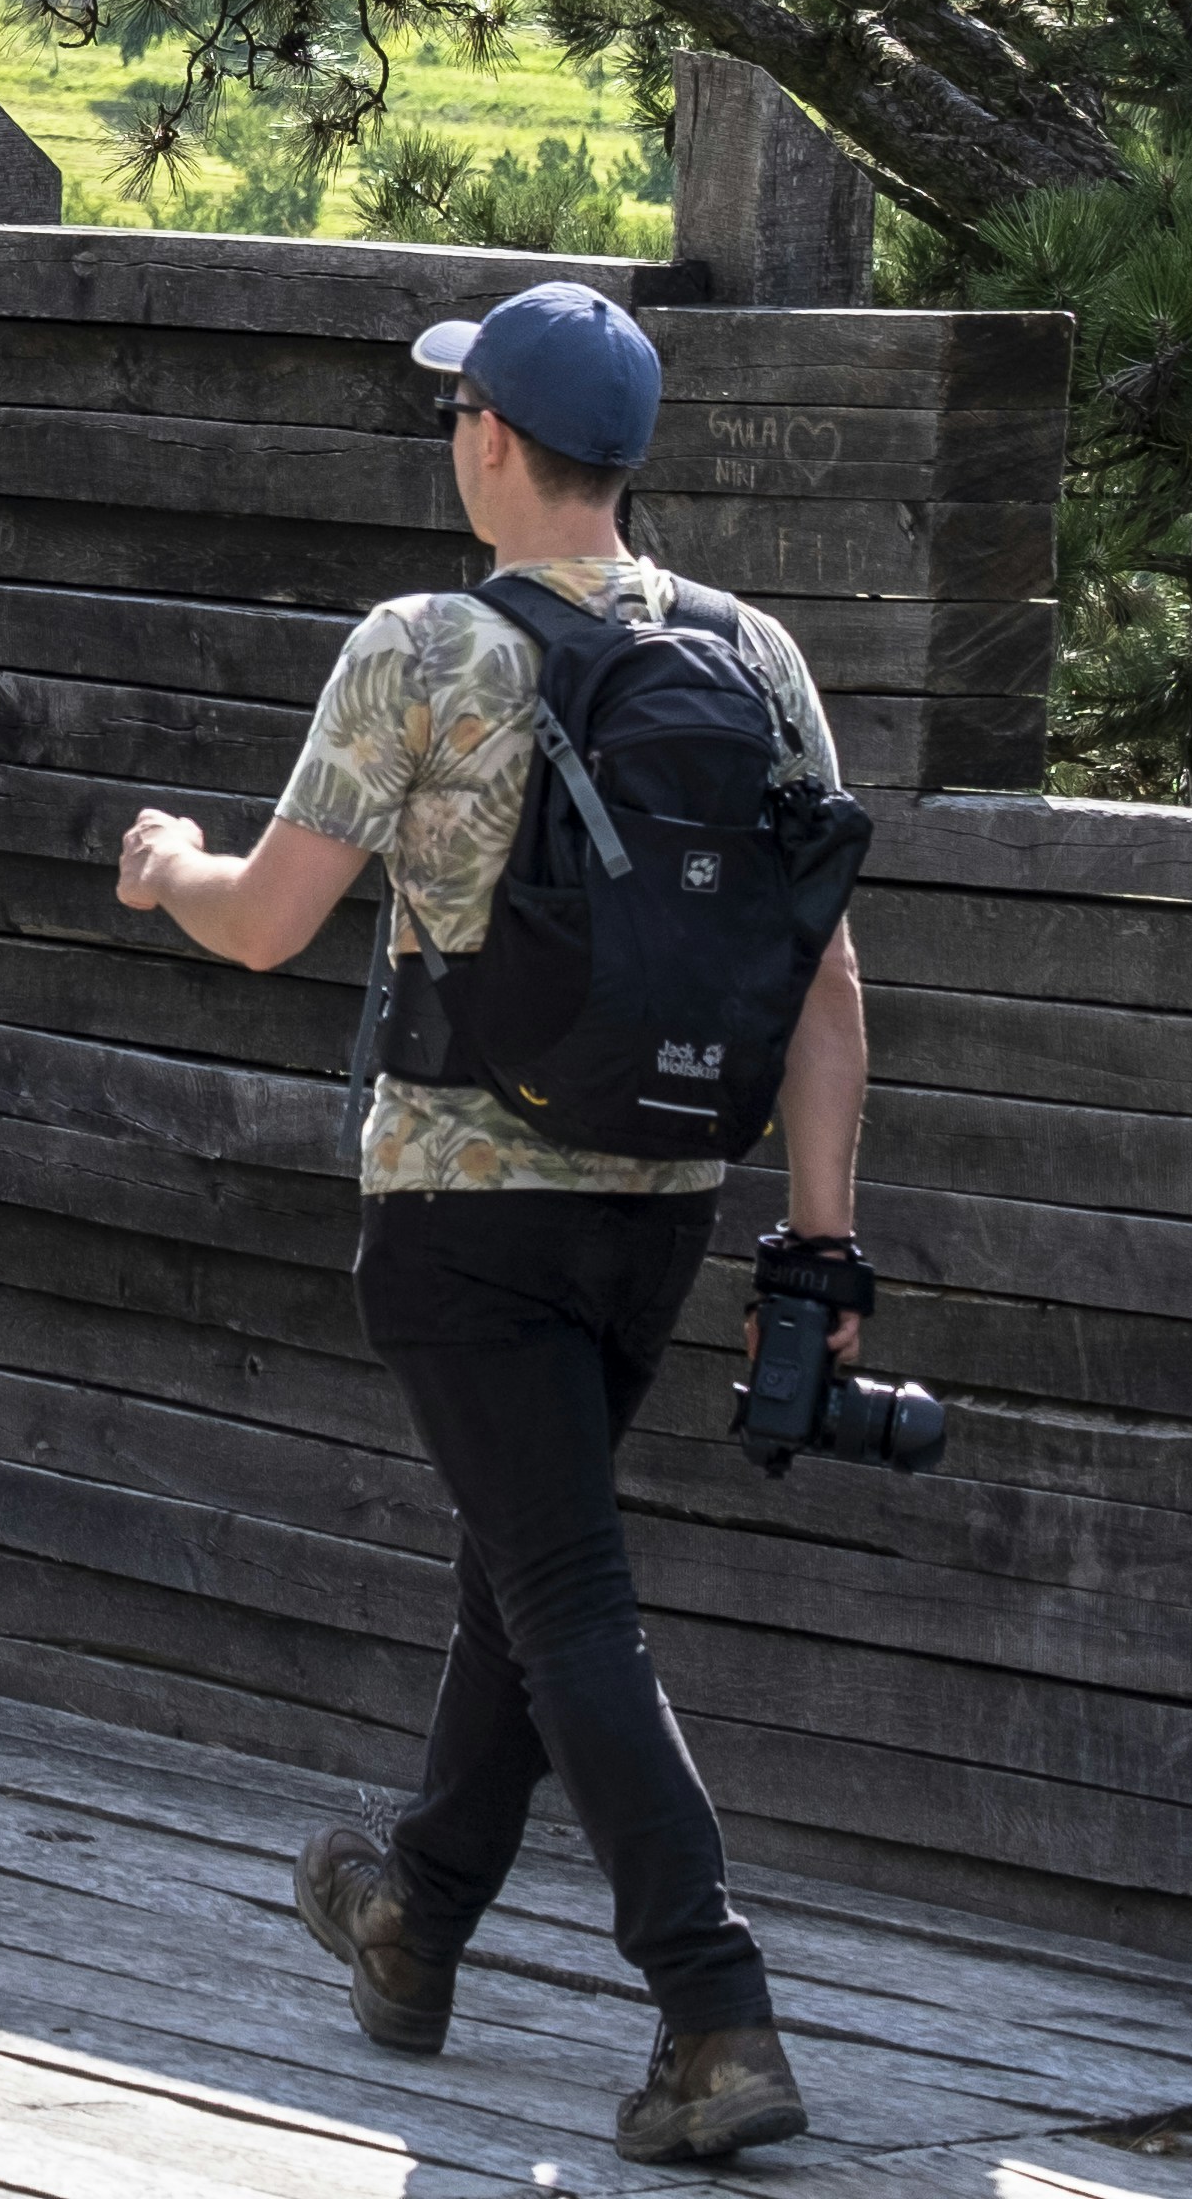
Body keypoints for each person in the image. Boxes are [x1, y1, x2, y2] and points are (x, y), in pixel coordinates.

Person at [111, 278, 874, 2169]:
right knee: (522, 1580)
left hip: (464, 1208)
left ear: (495, 443)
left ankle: (715, 2021)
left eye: (463, 415)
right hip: (667, 1204)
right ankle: (414, 1919)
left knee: (565, 1599)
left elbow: (274, 920)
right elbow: (827, 982)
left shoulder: (427, 646)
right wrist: (824, 1243)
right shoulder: (760, 657)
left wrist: (165, 871)